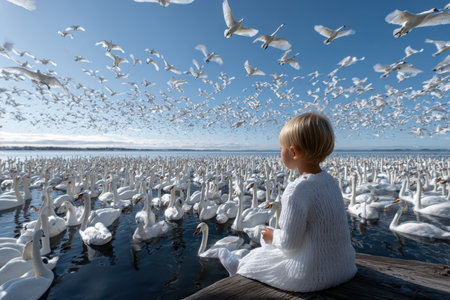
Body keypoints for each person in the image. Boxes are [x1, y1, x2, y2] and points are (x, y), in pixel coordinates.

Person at [219, 112, 357, 292]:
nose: (280, 152)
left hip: (311, 277)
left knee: (260, 255)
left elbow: (290, 243)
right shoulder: (331, 181)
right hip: (345, 267)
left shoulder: (296, 190)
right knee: (271, 249)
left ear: (293, 152)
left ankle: (239, 267)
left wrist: (272, 236)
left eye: (281, 148)